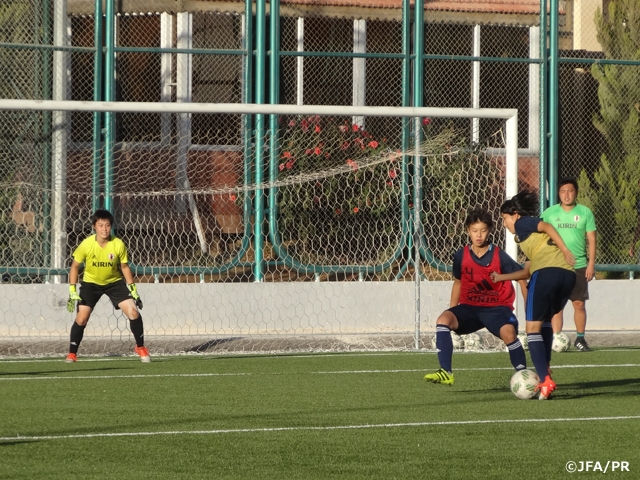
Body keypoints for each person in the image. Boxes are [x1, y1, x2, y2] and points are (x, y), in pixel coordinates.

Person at [424, 207, 529, 386]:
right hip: (470, 308)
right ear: (468, 231)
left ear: (489, 231)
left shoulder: (499, 255)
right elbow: (458, 282)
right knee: (443, 320)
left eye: (483, 230)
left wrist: (530, 311)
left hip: (497, 308)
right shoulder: (460, 255)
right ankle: (446, 371)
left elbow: (522, 276)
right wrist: (452, 309)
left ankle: (525, 377)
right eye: (474, 231)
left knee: (509, 333)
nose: (478, 235)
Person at [492, 192, 576, 399]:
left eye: (504, 218)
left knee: (532, 330)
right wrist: (502, 277)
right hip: (567, 276)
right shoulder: (528, 238)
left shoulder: (523, 224)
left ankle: (545, 381)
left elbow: (546, 226)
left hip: (547, 273)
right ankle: (545, 370)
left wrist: (565, 248)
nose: (504, 224)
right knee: (544, 322)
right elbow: (526, 271)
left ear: (515, 215)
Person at [65, 209, 150, 363]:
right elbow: (75, 266)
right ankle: (72, 353)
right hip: (90, 284)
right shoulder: (87, 244)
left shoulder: (118, 244)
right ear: (94, 227)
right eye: (100, 225)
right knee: (82, 318)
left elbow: (124, 267)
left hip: (114, 283)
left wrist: (133, 290)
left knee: (134, 312)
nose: (104, 229)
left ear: (111, 227)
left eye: (107, 225)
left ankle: (140, 347)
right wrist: (72, 290)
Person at [541, 178, 597, 351]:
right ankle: (557, 338)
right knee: (557, 305)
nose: (566, 195)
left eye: (570, 191)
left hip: (579, 265)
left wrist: (591, 264)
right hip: (556, 264)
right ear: (558, 194)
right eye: (563, 191)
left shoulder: (585, 212)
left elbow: (592, 239)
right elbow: (540, 235)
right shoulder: (549, 213)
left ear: (576, 193)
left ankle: (580, 338)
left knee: (579, 303)